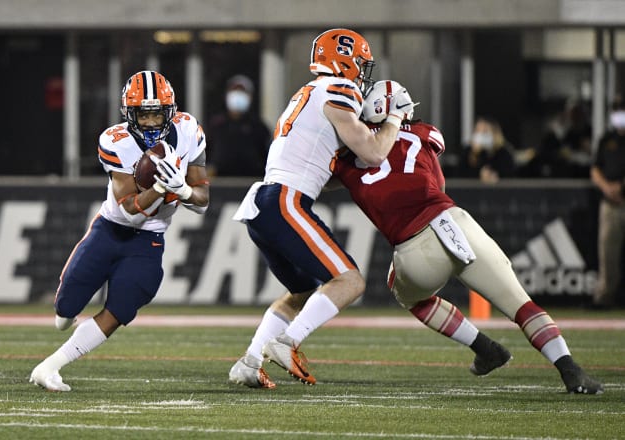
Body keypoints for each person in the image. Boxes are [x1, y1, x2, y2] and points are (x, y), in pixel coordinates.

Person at [231, 80, 603, 395]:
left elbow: (334, 173)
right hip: (452, 222)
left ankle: (483, 347)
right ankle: (569, 368)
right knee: (521, 305)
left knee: (406, 291)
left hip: (410, 247)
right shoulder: (422, 134)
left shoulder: (348, 158)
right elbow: (435, 181)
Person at [229, 28, 410, 388]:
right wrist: (394, 119)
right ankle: (287, 343)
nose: (362, 72)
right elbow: (375, 152)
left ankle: (250, 363)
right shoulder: (338, 89)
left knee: (300, 292)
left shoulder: (309, 92)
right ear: (343, 60)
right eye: (359, 63)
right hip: (285, 200)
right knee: (349, 281)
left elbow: (321, 172)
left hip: (264, 203)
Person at [30, 70, 210, 391]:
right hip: (110, 231)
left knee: (126, 303)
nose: (152, 122)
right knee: (65, 310)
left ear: (170, 112)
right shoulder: (116, 141)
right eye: (144, 114)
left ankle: (50, 366)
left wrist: (181, 190)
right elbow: (129, 208)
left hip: (150, 239)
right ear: (129, 114)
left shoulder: (188, 129)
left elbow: (202, 200)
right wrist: (159, 188)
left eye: (158, 114)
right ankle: (66, 312)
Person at [590, 98, 625, 309]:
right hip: (610, 205)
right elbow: (595, 169)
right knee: (607, 254)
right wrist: (607, 188)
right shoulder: (607, 140)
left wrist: (620, 186)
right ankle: (604, 298)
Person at [206, 75, 272, 177]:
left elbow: (267, 157)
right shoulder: (216, 125)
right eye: (234, 91)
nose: (237, 96)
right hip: (220, 185)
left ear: (250, 97)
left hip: (250, 183)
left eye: (242, 92)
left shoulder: (259, 127)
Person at [456, 116, 516, 183]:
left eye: (485, 131)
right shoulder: (467, 151)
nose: (480, 135)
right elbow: (460, 176)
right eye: (477, 131)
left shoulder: (504, 152)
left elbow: (510, 177)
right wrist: (474, 155)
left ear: (494, 133)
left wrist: (496, 178)